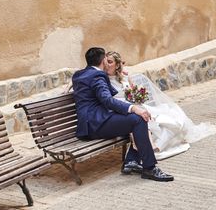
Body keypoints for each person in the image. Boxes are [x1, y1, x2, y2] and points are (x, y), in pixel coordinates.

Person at [72, 47, 174, 182]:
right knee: (138, 120)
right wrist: (133, 108)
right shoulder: (97, 76)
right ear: (103, 60)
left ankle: (132, 160)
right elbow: (107, 100)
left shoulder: (79, 74)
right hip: (96, 124)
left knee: (134, 122)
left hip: (88, 123)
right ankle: (149, 168)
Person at [105, 51, 216, 160]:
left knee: (173, 120)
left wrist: (137, 97)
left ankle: (157, 145)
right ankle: (152, 146)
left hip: (137, 106)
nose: (106, 65)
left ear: (117, 64)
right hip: (125, 111)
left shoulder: (125, 77)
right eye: (106, 62)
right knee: (153, 121)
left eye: (110, 62)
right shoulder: (104, 80)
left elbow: (133, 92)